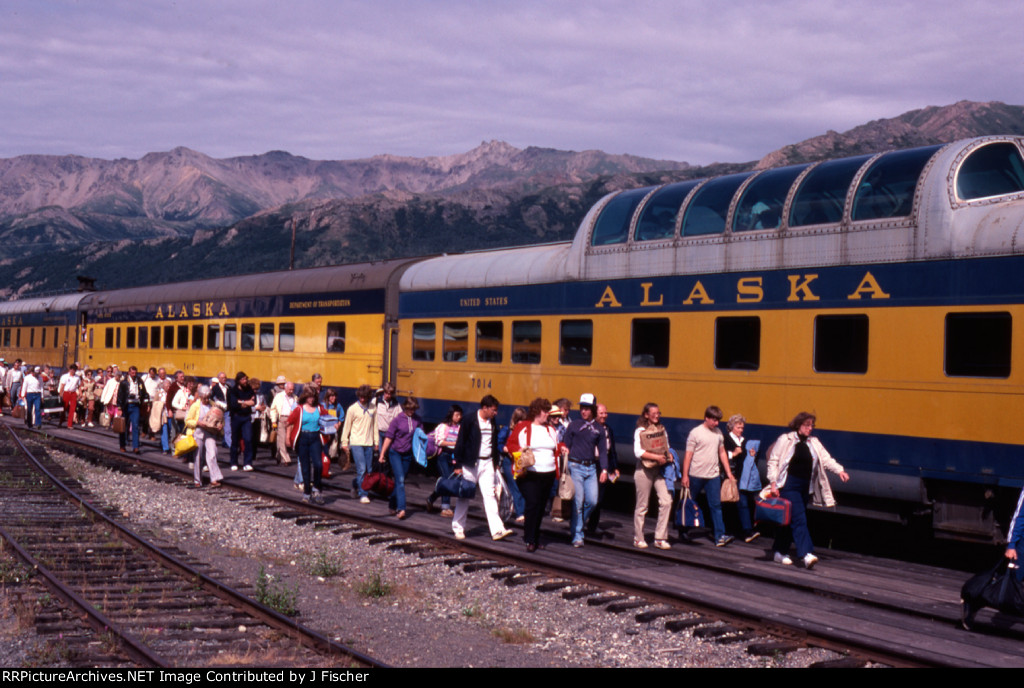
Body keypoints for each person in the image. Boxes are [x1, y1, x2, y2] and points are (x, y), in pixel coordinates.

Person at [767, 412, 850, 568]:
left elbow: (826, 459)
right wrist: (773, 483)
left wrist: (840, 471)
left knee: (788, 519)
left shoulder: (814, 442)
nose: (810, 428)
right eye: (807, 425)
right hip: (789, 485)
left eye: (812, 425)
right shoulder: (786, 440)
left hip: (805, 486)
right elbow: (774, 461)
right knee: (799, 518)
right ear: (798, 425)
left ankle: (779, 552)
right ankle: (806, 554)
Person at [452, 394, 513, 541]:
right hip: (470, 464)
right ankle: (458, 528)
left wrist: (495, 463)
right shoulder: (469, 420)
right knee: (465, 496)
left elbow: (493, 443)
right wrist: (458, 464)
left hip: (487, 463)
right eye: (493, 410)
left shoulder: (492, 422)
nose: (495, 413)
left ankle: (497, 529)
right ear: (484, 408)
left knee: (490, 496)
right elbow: (461, 442)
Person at [682, 405, 736, 547]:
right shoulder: (695, 433)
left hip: (713, 476)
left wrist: (729, 473)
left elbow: (722, 453)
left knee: (716, 505)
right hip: (696, 475)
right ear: (706, 418)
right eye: (714, 420)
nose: (717, 423)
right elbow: (688, 455)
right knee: (689, 503)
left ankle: (719, 536)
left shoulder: (718, 433)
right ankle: (683, 530)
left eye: (718, 420)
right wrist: (685, 475)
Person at [562, 393, 608, 548]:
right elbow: (565, 444)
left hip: (591, 468)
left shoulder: (599, 429)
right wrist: (563, 451)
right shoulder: (573, 425)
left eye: (587, 408)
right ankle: (578, 535)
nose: (584, 411)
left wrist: (604, 470)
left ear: (593, 410)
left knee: (592, 501)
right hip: (575, 467)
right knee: (578, 501)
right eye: (582, 408)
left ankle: (576, 524)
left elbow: (602, 451)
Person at [517, 398, 560, 552]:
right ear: (536, 411)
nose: (547, 414)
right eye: (545, 411)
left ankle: (535, 537)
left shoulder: (551, 430)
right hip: (531, 474)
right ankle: (529, 539)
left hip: (548, 474)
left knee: (541, 507)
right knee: (533, 504)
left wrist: (563, 449)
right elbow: (511, 444)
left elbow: (555, 448)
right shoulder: (524, 427)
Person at [633, 402, 673, 549]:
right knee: (642, 505)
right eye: (653, 413)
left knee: (666, 501)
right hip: (644, 470)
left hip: (659, 470)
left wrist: (669, 456)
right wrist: (657, 458)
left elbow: (666, 447)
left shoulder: (662, 430)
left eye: (658, 413)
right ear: (646, 415)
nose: (657, 415)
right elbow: (638, 452)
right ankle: (638, 538)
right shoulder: (640, 431)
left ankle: (660, 538)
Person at [379, 397, 423, 519]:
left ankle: (392, 505)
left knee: (399, 482)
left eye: (414, 409)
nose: (412, 412)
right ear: (405, 407)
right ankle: (401, 508)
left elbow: (421, 435)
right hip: (395, 453)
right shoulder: (397, 420)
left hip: (407, 455)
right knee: (401, 480)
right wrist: (382, 454)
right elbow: (388, 437)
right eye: (410, 409)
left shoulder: (417, 420)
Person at [722, 414, 760, 543]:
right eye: (738, 427)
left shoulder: (744, 441)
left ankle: (746, 531)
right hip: (730, 476)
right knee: (730, 503)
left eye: (742, 428)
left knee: (743, 502)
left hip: (742, 477)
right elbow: (720, 455)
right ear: (732, 427)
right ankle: (740, 531)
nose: (741, 430)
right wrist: (733, 454)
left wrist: (752, 455)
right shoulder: (725, 439)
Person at [287, 389, 327, 504]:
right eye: (309, 397)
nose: (311, 399)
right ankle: (307, 493)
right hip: (302, 438)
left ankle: (317, 489)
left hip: (315, 438)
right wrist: (288, 437)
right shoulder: (299, 409)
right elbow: (289, 422)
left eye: (313, 397)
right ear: (305, 397)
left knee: (318, 464)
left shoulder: (319, 408)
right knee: (305, 467)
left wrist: (335, 424)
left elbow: (328, 418)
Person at [340, 384, 378, 504]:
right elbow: (347, 426)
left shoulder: (373, 408)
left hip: (369, 442)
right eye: (360, 397)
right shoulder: (352, 409)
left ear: (368, 397)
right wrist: (344, 442)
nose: (362, 399)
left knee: (369, 470)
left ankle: (355, 484)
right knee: (362, 469)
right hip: (356, 442)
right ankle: (363, 494)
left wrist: (376, 442)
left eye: (364, 397)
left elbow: (375, 426)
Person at [586, 402, 619, 535]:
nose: (604, 415)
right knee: (588, 497)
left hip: (604, 466)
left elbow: (612, 450)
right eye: (601, 413)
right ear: (595, 414)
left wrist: (615, 467)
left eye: (605, 413)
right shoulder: (589, 428)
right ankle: (580, 522)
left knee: (599, 499)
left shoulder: (608, 429)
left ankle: (593, 526)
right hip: (591, 464)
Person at [426, 404, 462, 517]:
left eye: (460, 415)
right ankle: (445, 507)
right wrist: (453, 444)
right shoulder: (443, 426)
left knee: (448, 481)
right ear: (451, 415)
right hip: (443, 456)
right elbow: (439, 442)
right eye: (457, 415)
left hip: (453, 457)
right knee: (446, 480)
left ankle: (431, 499)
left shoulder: (460, 428)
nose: (459, 417)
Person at [185, 385, 224, 488]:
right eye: (204, 398)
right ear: (200, 397)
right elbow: (188, 420)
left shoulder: (212, 405)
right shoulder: (195, 406)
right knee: (198, 456)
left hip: (210, 432)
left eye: (208, 397)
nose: (206, 400)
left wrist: (220, 426)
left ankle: (214, 478)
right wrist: (197, 422)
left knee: (212, 453)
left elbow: (220, 419)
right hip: (198, 432)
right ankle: (197, 480)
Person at [227, 371, 256, 471]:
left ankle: (248, 463)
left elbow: (253, 402)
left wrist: (241, 402)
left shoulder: (249, 389)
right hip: (236, 417)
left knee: (248, 439)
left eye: (246, 378)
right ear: (238, 381)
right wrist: (246, 402)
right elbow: (233, 404)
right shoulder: (233, 390)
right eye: (243, 379)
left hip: (246, 417)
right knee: (235, 440)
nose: (245, 381)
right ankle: (233, 462)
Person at [118, 366, 150, 453]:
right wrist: (119, 408)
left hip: (135, 405)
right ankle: (123, 445)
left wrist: (146, 402)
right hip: (126, 405)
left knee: (135, 426)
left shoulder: (139, 381)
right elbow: (120, 395)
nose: (134, 375)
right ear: (129, 373)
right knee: (124, 426)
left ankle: (135, 447)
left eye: (135, 373)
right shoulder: (124, 382)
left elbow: (144, 393)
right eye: (132, 373)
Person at [270, 380, 298, 466]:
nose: (291, 391)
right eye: (290, 389)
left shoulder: (295, 398)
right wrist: (273, 420)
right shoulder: (279, 396)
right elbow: (273, 409)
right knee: (282, 439)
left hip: (291, 420)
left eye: (293, 389)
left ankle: (278, 456)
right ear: (285, 388)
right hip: (282, 418)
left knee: (287, 439)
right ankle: (286, 459)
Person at [58, 364, 82, 429]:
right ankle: (61, 421)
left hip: (73, 393)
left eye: (74, 370)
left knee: (72, 408)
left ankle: (69, 424)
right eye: (72, 369)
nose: (73, 371)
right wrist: (60, 395)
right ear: (70, 369)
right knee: (64, 407)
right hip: (66, 392)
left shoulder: (77, 377)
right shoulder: (65, 376)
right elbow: (62, 386)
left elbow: (79, 386)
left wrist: (80, 393)